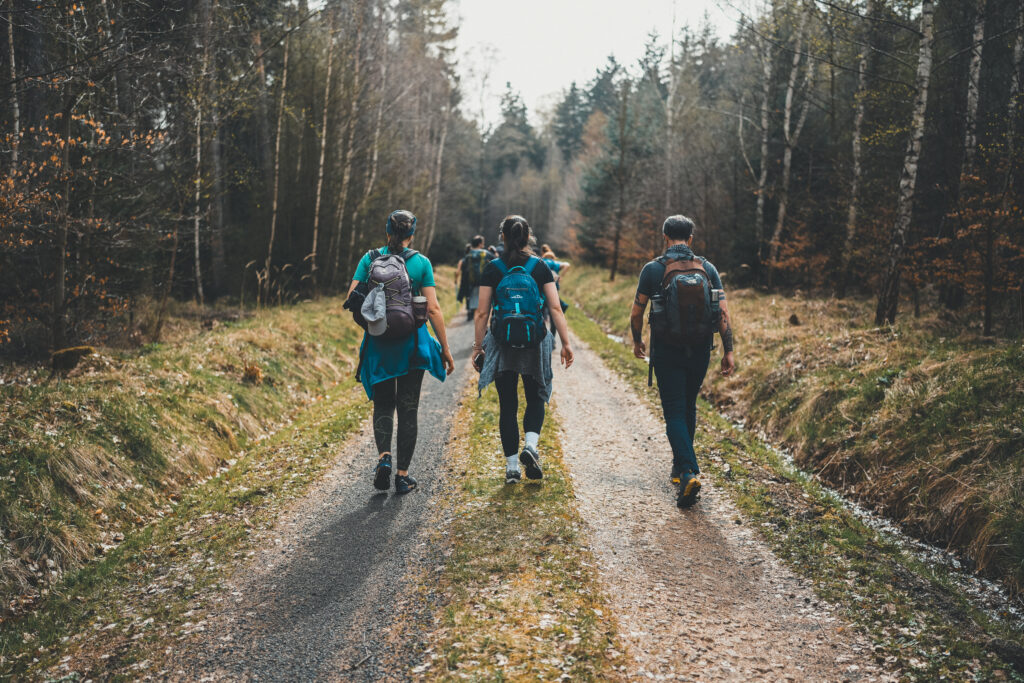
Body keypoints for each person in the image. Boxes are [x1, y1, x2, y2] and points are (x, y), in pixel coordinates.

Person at [629, 215, 736, 508]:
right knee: (688, 405)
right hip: (701, 349)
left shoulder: (653, 269)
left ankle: (688, 471)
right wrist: (729, 351)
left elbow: (637, 312)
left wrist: (638, 339)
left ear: (665, 237)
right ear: (690, 238)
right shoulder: (708, 268)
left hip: (666, 350)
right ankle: (680, 467)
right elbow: (723, 314)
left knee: (674, 411)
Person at [348, 210, 456, 494]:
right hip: (413, 346)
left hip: (379, 344)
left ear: (387, 232)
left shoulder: (369, 259)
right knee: (408, 409)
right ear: (411, 235)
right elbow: (432, 308)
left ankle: (384, 459)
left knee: (383, 404)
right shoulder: (421, 263)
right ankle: (402, 476)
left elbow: (352, 299)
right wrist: (444, 348)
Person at [473, 215, 574, 484]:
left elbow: (482, 313)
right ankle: (530, 446)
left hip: (502, 342)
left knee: (507, 405)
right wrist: (565, 343)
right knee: (535, 396)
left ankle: (512, 469)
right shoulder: (540, 267)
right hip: (535, 341)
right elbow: (554, 308)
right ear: (528, 237)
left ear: (502, 237)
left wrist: (478, 347)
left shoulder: (493, 268)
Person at [460, 235, 494, 322]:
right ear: (480, 244)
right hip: (485, 284)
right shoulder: (486, 253)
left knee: (474, 305)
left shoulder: (468, 256)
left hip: (471, 284)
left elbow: (464, 272)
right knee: (485, 306)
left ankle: (474, 318)